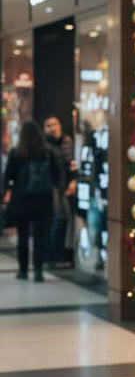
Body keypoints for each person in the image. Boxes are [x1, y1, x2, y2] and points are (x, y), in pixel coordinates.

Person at [2, 120, 62, 281]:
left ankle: (23, 270)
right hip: (43, 199)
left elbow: (8, 176)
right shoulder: (47, 152)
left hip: (22, 200)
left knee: (22, 236)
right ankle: (38, 271)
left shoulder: (16, 153)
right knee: (39, 236)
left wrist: (6, 193)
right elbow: (57, 176)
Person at [43, 116, 75, 268]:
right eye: (48, 125)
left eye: (54, 124)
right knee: (58, 218)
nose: (52, 128)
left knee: (63, 219)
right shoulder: (44, 144)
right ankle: (52, 256)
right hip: (52, 187)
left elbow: (71, 162)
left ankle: (58, 254)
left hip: (65, 186)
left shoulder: (67, 142)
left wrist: (73, 180)